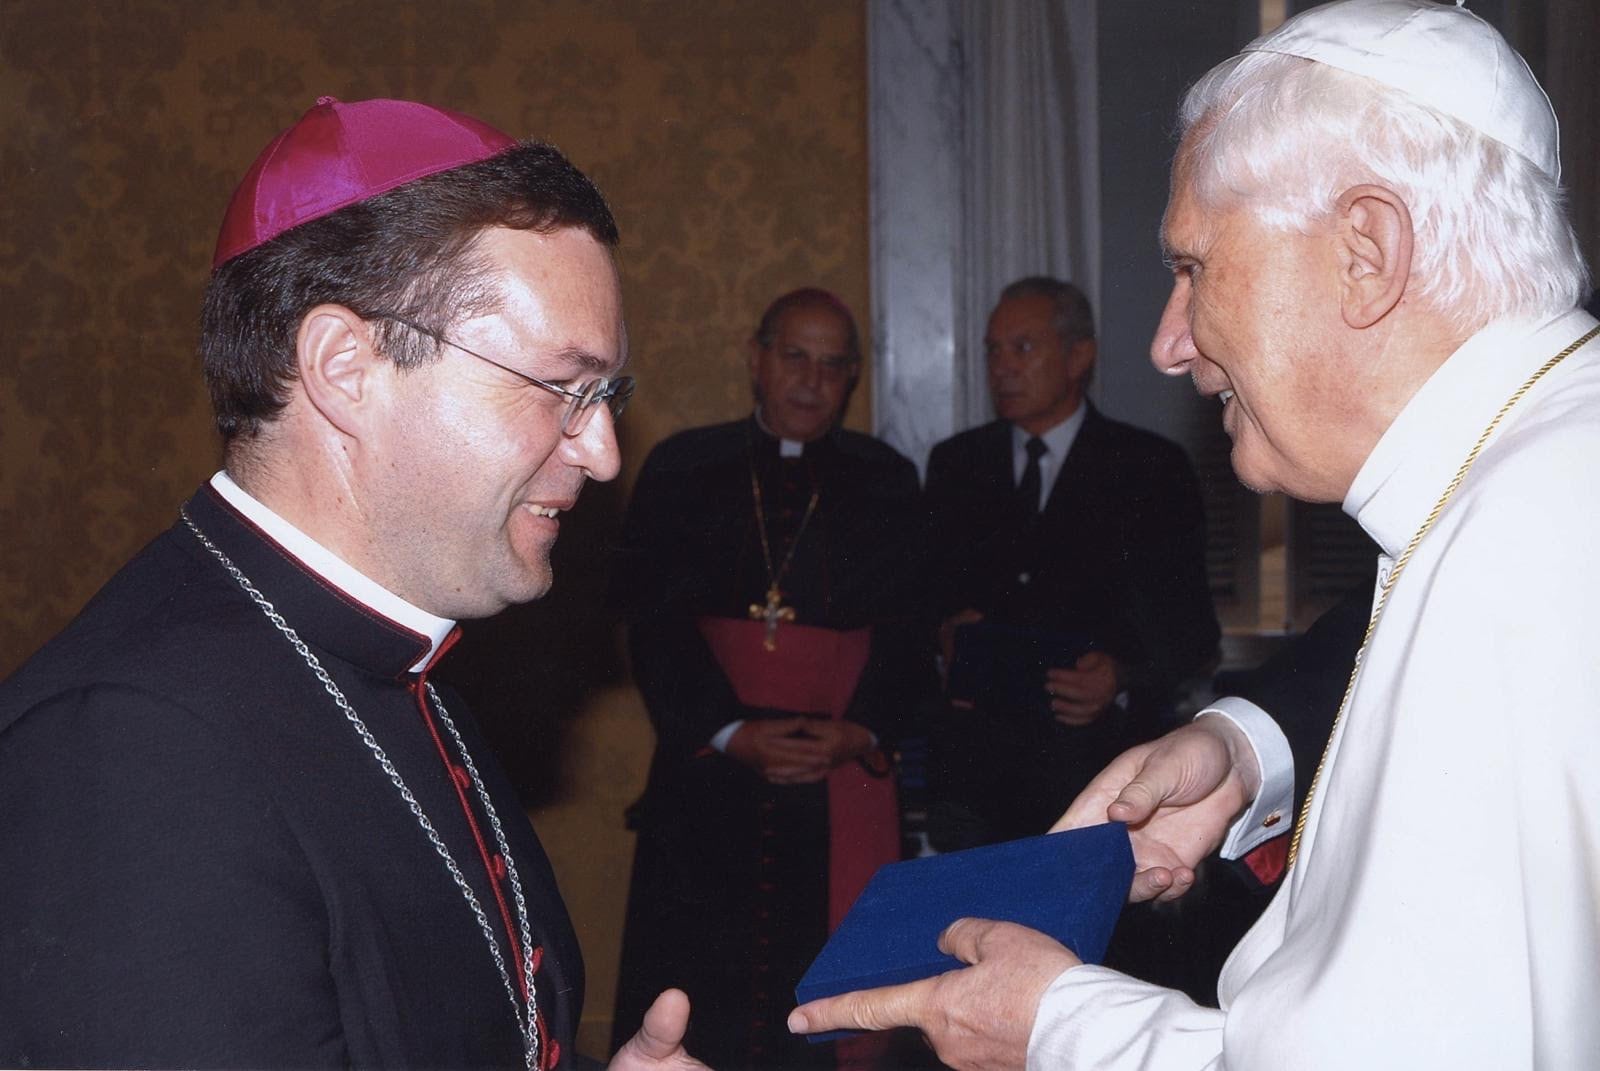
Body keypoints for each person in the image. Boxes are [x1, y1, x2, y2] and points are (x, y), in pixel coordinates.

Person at [787, 1, 1600, 1066]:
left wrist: (1059, 1025)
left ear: (1367, 250)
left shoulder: (1522, 548)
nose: (1168, 344)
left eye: (1194, 268)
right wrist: (1239, 750)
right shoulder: (1530, 475)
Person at [0, 96, 702, 1071]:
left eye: (605, 396)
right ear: (345, 367)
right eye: (561, 388)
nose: (602, 451)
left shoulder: (399, 660)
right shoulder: (125, 755)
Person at [610, 289, 934, 1069]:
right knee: (695, 989)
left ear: (852, 378)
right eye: (795, 356)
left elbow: (912, 630)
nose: (811, 380)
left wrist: (862, 727)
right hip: (710, 771)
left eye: (833, 366)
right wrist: (729, 729)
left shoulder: (885, 478)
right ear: (756, 359)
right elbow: (652, 622)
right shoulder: (685, 466)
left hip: (838, 771)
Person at [922, 277, 1219, 846]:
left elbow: (1190, 629)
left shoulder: (1147, 468)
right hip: (973, 781)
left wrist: (1121, 674)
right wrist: (944, 637)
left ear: (1078, 355)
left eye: (1022, 348)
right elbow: (918, 600)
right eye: (992, 350)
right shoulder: (957, 464)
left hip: (1096, 775)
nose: (1002, 367)